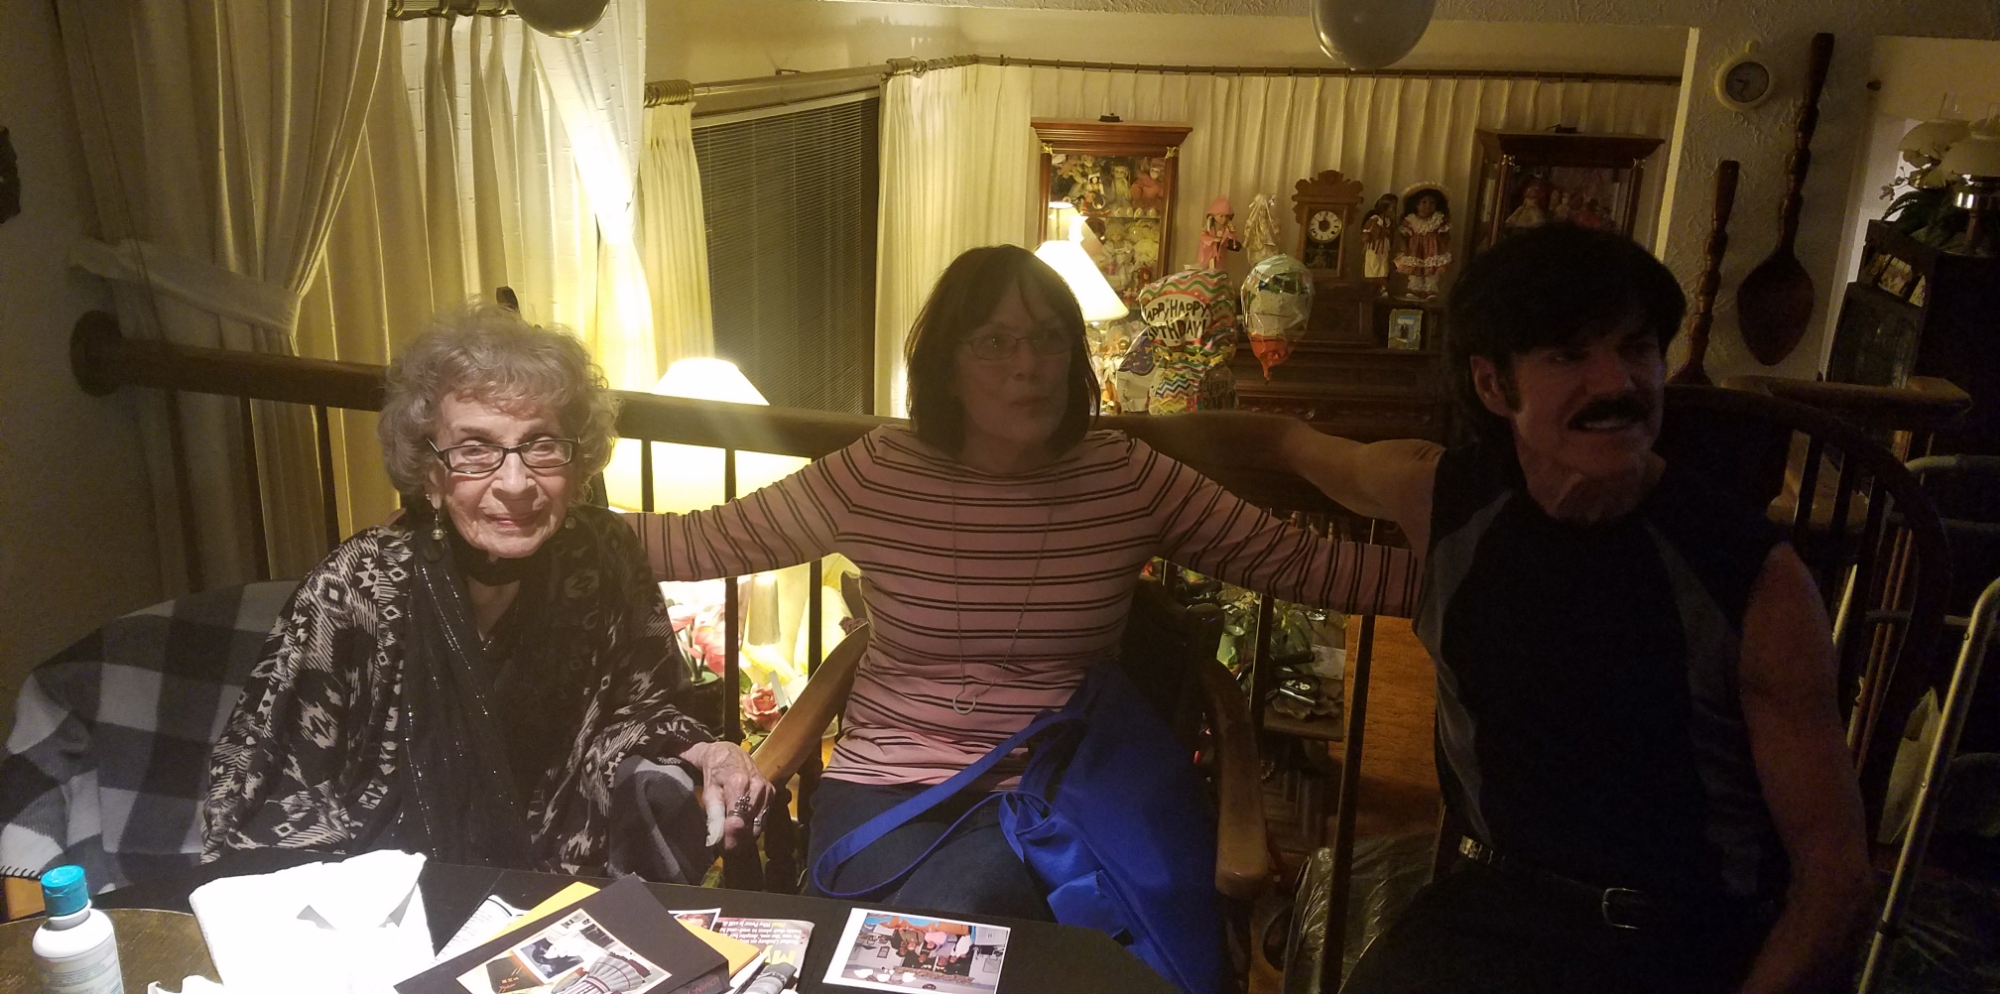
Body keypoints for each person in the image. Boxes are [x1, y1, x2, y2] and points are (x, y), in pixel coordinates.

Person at [1122, 224, 1871, 994]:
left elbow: (1835, 877)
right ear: (1492, 384)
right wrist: (1106, 433)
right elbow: (1286, 443)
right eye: (1568, 355)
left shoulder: (1755, 578)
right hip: (1491, 911)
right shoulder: (1444, 498)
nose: (1616, 381)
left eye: (1637, 347)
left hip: (1679, 940)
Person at [625, 245, 1400, 920]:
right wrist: (557, 506)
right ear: (947, 366)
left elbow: (1304, 563)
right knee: (930, 928)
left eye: (1049, 337)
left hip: (1058, 788)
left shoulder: (1126, 477)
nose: (1028, 364)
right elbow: (702, 538)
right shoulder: (877, 473)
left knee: (969, 906)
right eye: (995, 341)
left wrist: (1451, 549)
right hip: (883, 787)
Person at [203, 303, 772, 879]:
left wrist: (712, 752)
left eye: (541, 444)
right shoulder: (356, 586)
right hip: (375, 882)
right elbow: (271, 783)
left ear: (577, 462)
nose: (516, 483)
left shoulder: (601, 556)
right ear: (430, 471)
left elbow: (645, 709)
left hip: (559, 882)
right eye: (475, 449)